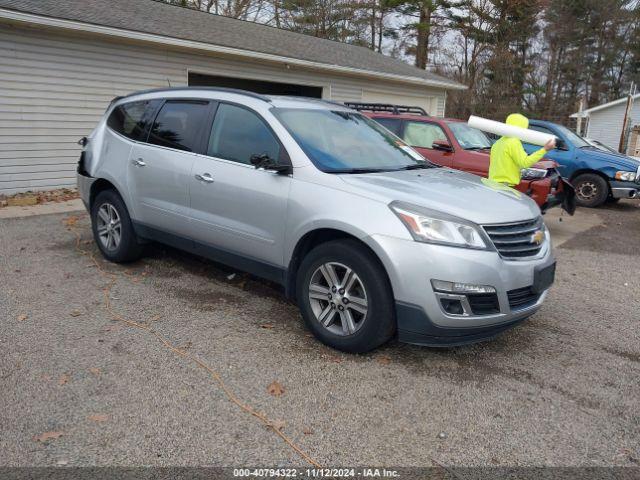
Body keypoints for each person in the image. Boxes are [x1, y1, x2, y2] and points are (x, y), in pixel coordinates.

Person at [488, 113, 556, 186]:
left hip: (493, 184)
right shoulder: (513, 142)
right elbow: (525, 163)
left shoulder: (498, 142)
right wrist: (545, 149)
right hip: (504, 186)